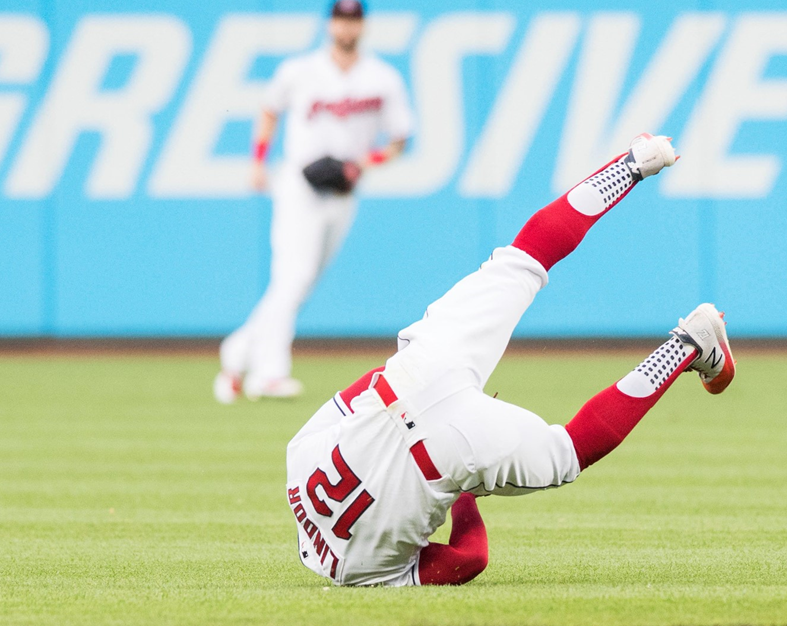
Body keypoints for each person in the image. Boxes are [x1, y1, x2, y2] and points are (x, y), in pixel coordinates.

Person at [284, 134, 734, 586]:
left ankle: (688, 345)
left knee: (569, 452)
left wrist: (464, 492)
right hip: (407, 378)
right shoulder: (296, 466)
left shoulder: (362, 574)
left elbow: (468, 559)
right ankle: (635, 162)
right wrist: (426, 379)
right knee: (524, 259)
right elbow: (364, 386)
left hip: (449, 452)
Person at [215, 0, 413, 403]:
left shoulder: (382, 77)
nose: (347, 27)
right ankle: (268, 374)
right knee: (295, 275)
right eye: (341, 19)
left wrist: (365, 162)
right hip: (299, 183)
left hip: (343, 189)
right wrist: (258, 162)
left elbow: (399, 139)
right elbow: (269, 110)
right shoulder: (300, 70)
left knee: (300, 284)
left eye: (353, 20)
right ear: (329, 24)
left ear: (363, 25)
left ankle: (238, 350)